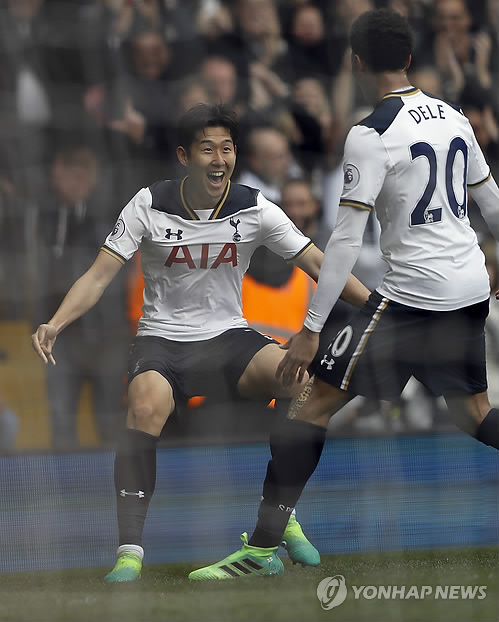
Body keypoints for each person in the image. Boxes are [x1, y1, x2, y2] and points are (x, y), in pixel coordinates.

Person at [190, 9, 499, 581]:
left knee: (306, 405)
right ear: (410, 58)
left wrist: (311, 329)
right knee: (474, 414)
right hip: (467, 290)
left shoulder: (370, 133)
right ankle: (271, 542)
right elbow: (492, 203)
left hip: (411, 299)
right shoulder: (456, 117)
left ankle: (262, 550)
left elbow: (346, 241)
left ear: (357, 63)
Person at [31, 104, 370, 582]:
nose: (219, 159)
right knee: (144, 406)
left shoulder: (254, 207)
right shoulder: (149, 203)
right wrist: (56, 323)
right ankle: (129, 552)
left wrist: (379, 308)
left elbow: (320, 264)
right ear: (184, 156)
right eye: (207, 149)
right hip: (162, 339)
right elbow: (99, 275)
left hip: (228, 335)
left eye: (227, 149)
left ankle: (280, 519)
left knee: (301, 385)